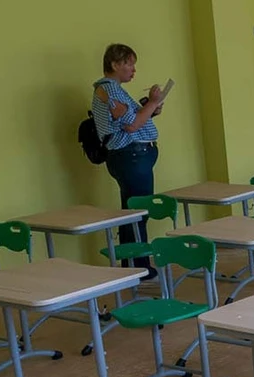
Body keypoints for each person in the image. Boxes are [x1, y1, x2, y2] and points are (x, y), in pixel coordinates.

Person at [91, 43, 163, 277]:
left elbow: (133, 117)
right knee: (138, 212)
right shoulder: (109, 90)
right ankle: (139, 267)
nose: (133, 70)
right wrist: (152, 102)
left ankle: (131, 266)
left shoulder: (113, 90)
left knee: (131, 212)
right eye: (129, 64)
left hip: (132, 156)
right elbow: (132, 125)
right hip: (131, 155)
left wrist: (149, 108)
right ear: (114, 64)